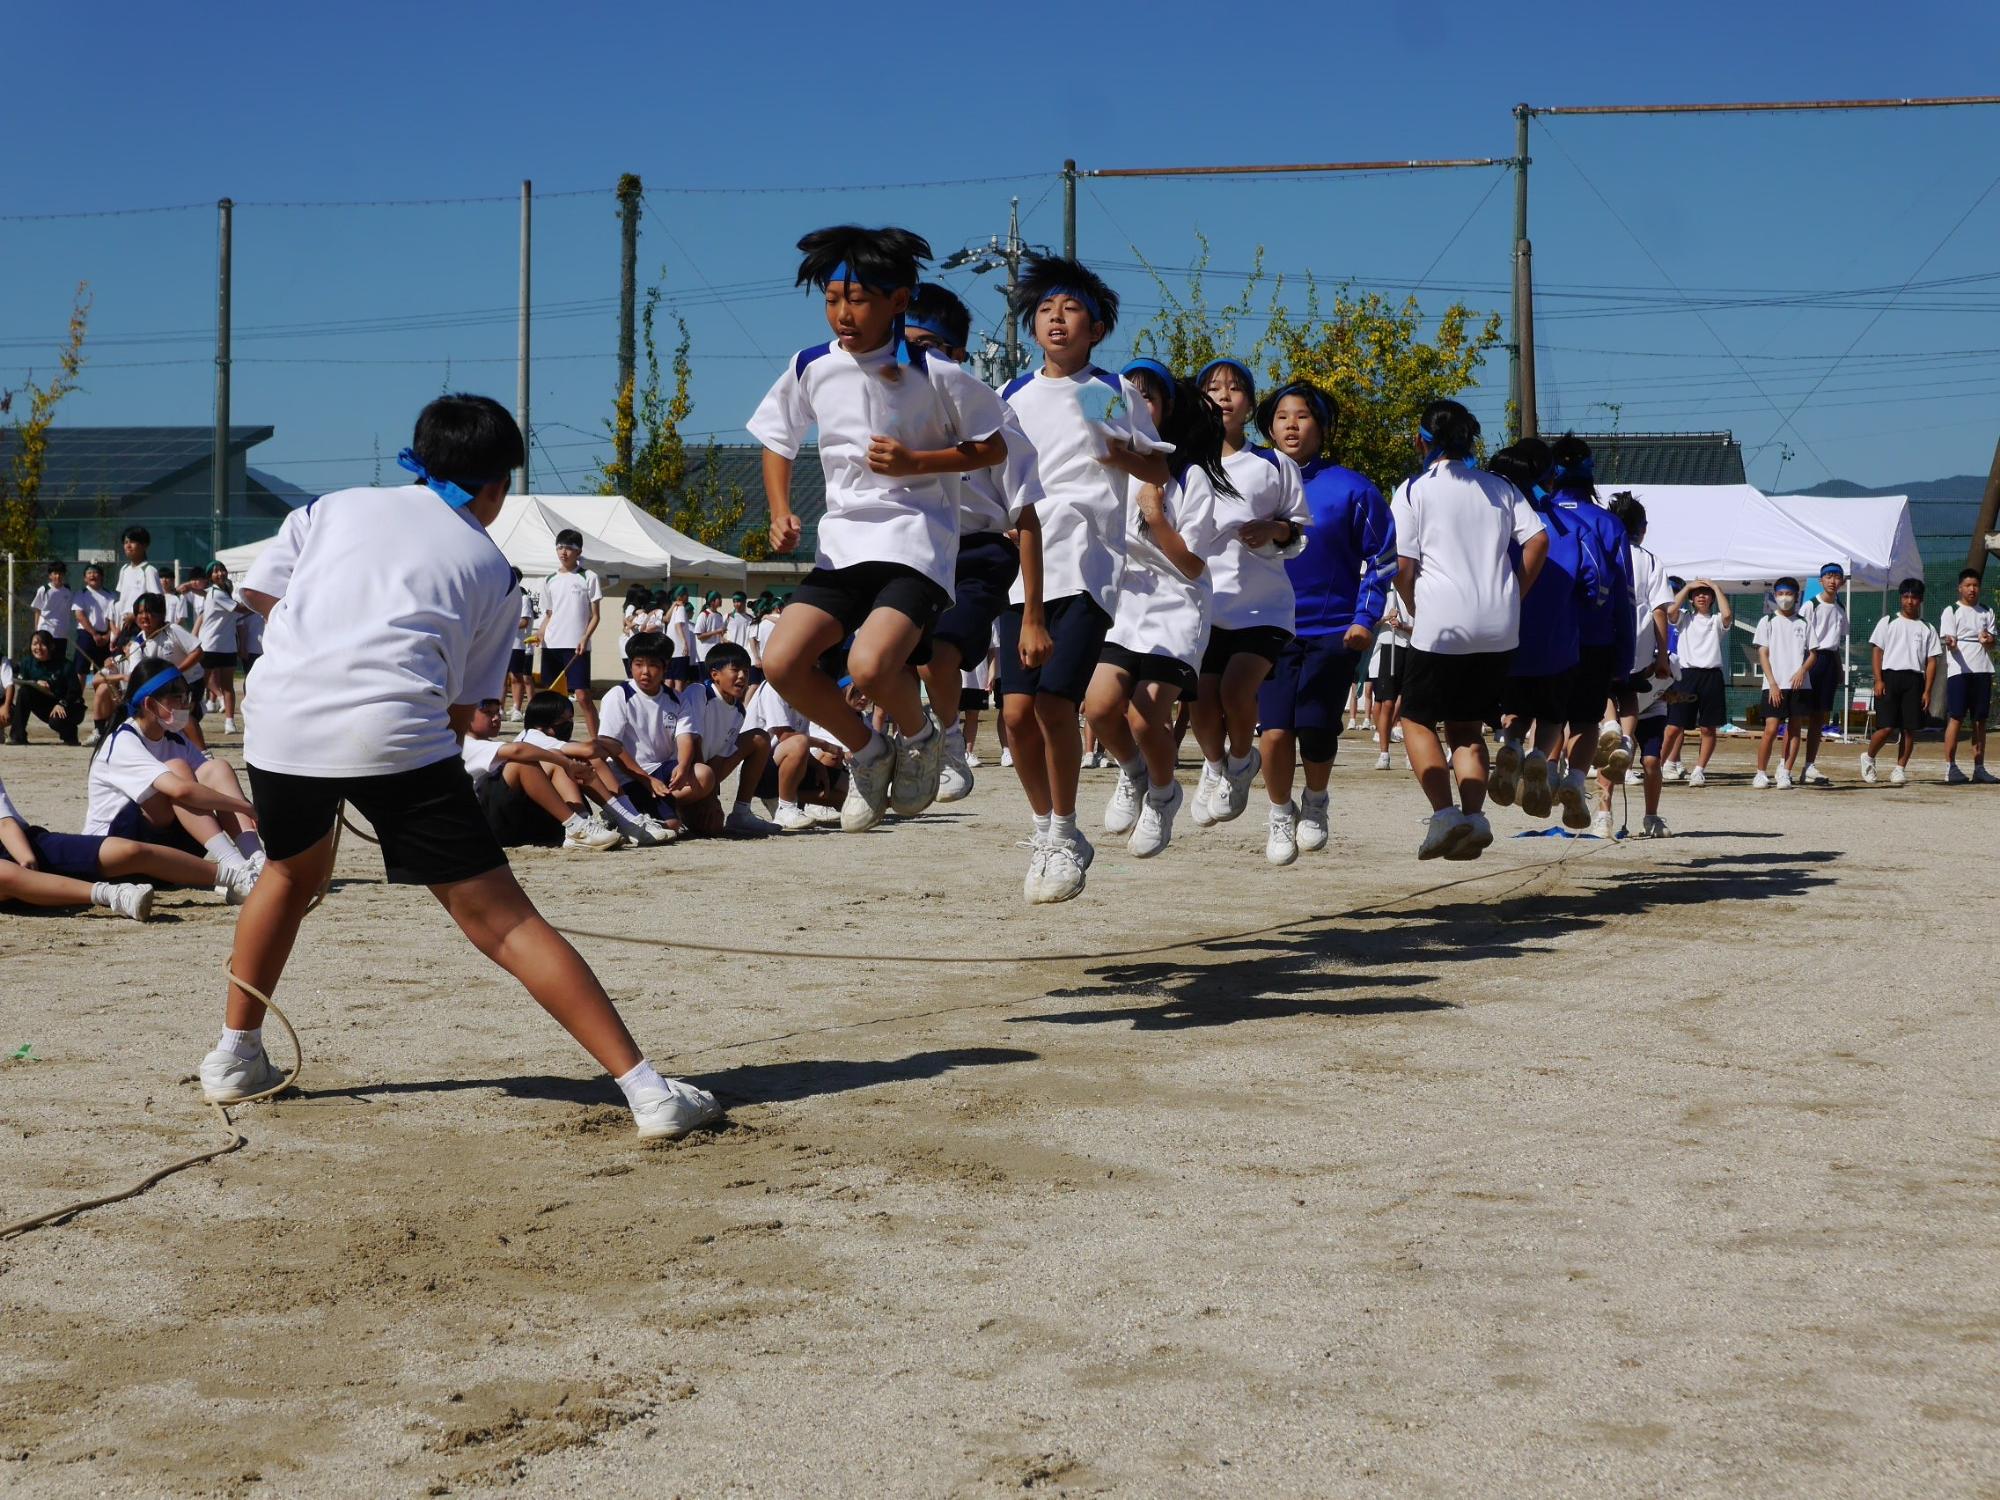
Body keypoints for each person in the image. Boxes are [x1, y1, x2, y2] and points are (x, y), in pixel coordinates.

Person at [212, 394, 719, 1142]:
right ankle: (648, 1092)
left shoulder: (330, 508)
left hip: (281, 722)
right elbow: (463, 715)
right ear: (496, 486)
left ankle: (233, 1056)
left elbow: (258, 594)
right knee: (504, 921)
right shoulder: (491, 565)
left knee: (288, 874)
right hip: (393, 731)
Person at [749, 225, 1011, 834]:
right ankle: (868, 751)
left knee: (869, 666)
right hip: (842, 543)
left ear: (898, 301)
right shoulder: (811, 365)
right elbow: (776, 436)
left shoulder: (937, 374)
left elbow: (992, 445)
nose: (843, 313)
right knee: (782, 662)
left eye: (859, 298)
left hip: (915, 543)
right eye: (833, 298)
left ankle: (923, 738)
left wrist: (919, 463)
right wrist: (779, 510)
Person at [997, 254, 1171, 901]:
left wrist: (1123, 453)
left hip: (1089, 570)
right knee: (1014, 717)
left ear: (1097, 328)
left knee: (1051, 704)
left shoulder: (1106, 391)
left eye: (1071, 310)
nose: (1057, 319)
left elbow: (1155, 472)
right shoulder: (1011, 395)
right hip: (1021, 575)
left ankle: (1064, 830)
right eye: (1045, 310)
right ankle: (1047, 828)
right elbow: (997, 484)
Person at [901, 282, 1041, 803]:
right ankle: (908, 741)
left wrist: (1029, 611)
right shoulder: (888, 409)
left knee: (939, 652)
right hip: (914, 548)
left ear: (958, 356)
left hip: (979, 552)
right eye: (902, 345)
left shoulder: (995, 415)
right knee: (878, 657)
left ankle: (952, 744)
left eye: (926, 348)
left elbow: (1025, 512)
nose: (913, 360)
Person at [1085, 363, 1230, 860]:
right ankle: (1134, 774)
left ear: (1166, 409)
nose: (1137, 403)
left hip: (1176, 607)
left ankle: (1164, 795)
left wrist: (1153, 515)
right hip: (1124, 603)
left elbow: (1192, 564)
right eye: (1128, 395)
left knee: (1147, 714)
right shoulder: (1107, 469)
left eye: (1149, 396)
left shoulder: (1191, 479)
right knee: (1100, 706)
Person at [1392, 400, 1547, 859]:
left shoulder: (1413, 490)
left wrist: (1414, 602)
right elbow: (1538, 539)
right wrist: (1516, 590)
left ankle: (1444, 815)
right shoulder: (1499, 487)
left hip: (1442, 619)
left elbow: (1403, 563)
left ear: (1422, 440)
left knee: (1416, 719)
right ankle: (1475, 816)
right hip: (1499, 624)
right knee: (1466, 727)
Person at [1252, 378, 1394, 864]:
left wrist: (1366, 618)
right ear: (1267, 425)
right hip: (1265, 628)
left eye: (1303, 416)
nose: (1291, 426)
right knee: (1273, 730)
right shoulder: (1251, 481)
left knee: (1315, 728)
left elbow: (1382, 558)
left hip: (1333, 629)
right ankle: (1277, 811)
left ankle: (1314, 802)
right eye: (1282, 416)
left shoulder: (1353, 488)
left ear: (1323, 426)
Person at [1185, 358, 1310, 836]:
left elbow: (1299, 533)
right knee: (1199, 701)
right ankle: (1215, 765)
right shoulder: (1185, 464)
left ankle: (1241, 760)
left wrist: (1273, 527)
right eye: (1213, 387)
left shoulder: (1273, 463)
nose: (1223, 395)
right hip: (1201, 603)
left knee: (1237, 690)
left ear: (1250, 404)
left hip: (1263, 605)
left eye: (1235, 388)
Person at [1481, 441, 1602, 826]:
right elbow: (1594, 585)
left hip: (1507, 638)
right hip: (1558, 641)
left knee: (1515, 710)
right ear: (1550, 479)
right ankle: (1538, 757)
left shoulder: (1494, 519)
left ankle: (1513, 744)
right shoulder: (1574, 528)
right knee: (1553, 716)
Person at [83, 657, 262, 901]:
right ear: (149, 703)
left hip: (167, 846)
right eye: (175, 697)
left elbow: (211, 782)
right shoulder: (124, 740)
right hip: (119, 848)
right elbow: (182, 791)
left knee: (217, 768)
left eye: (185, 696)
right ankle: (235, 868)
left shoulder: (174, 738)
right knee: (178, 772)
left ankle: (256, 862)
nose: (184, 704)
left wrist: (238, 805)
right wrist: (247, 807)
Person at [0, 770, 243, 920]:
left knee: (131, 851)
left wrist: (25, 857)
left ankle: (235, 878)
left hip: (26, 844)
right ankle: (114, 895)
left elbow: (5, 823)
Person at [1545, 435, 1637, 784]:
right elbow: (1624, 597)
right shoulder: (1609, 524)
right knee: (1585, 718)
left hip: (1547, 635)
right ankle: (1575, 781)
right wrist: (1624, 657)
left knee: (1547, 713)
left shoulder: (1538, 517)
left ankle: (1547, 767)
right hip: (1595, 637)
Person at [1599, 493, 1674, 833]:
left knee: (1603, 694)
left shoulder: (1603, 551)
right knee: (1628, 690)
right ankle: (1625, 739)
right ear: (1642, 529)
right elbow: (1661, 609)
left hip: (1601, 640)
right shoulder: (1649, 560)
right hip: (1637, 649)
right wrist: (1661, 654)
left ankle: (1605, 812)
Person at [460, 696, 624, 851]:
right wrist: (566, 762)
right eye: (488, 713)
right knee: (523, 763)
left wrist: (562, 761)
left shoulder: (487, 744)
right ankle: (577, 826)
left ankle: (583, 821)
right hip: (485, 826)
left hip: (511, 818)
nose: (496, 718)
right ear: (466, 715)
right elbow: (518, 750)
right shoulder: (466, 744)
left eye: (497, 712)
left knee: (555, 759)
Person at [668, 641, 774, 836]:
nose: (742, 676)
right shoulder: (699, 692)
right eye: (735, 670)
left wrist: (712, 796)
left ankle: (741, 812)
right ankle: (664, 808)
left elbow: (720, 756)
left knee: (759, 738)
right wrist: (706, 795)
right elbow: (692, 742)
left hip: (706, 772)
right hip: (681, 771)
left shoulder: (739, 710)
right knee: (694, 821)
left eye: (745, 671)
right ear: (715, 675)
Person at [588, 632, 684, 846]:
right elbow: (610, 745)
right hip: (628, 776)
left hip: (660, 773)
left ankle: (669, 813)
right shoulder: (619, 694)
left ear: (665, 666)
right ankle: (620, 813)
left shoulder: (675, 699)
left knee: (698, 779)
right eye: (638, 664)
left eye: (652, 665)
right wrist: (645, 779)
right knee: (670, 826)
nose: (645, 672)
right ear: (630, 665)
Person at [93, 590, 209, 750]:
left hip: (190, 683)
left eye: (149, 612)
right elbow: (137, 673)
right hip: (163, 689)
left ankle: (204, 755)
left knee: (181, 715)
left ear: (160, 614)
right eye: (139, 613)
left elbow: (198, 652)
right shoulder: (137, 643)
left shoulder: (172, 630)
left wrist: (174, 673)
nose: (144, 616)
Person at [1861, 578, 1941, 786]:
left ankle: (1899, 769)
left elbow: (1932, 661)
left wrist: (1927, 690)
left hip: (1915, 679)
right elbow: (1877, 651)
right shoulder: (1887, 622)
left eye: (1914, 597)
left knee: (1909, 728)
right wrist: (1878, 679)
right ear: (1901, 598)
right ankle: (1868, 757)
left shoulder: (1927, 628)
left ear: (1921, 600)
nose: (1910, 601)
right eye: (1906, 597)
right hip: (1889, 677)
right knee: (1886, 727)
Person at [1664, 578, 1731, 787]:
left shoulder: (1716, 621)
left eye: (1706, 593)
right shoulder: (1684, 618)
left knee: (1708, 729)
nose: (1702, 596)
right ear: (1691, 599)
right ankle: (1657, 764)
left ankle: (1699, 770)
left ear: (1712, 598)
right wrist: (1687, 587)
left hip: (1712, 676)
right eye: (1697, 594)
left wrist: (1717, 588)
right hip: (1687, 676)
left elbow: (1728, 615)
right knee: (1674, 726)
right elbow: (1671, 611)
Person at [538, 528, 602, 738]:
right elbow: (549, 614)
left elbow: (595, 616)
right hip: (551, 644)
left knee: (583, 696)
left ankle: (598, 741)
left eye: (568, 548)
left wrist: (585, 637)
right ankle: (551, 739)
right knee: (552, 698)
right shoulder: (549, 580)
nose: (563, 552)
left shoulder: (588, 576)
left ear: (578, 551)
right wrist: (540, 632)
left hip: (576, 646)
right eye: (560, 547)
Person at [1938, 567, 1997, 784]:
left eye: (1976, 585)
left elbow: (1993, 642)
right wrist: (1951, 643)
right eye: (1968, 585)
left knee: (1980, 720)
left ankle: (1979, 768)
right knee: (1956, 717)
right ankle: (1950, 766)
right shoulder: (1951, 610)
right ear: (1960, 588)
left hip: (1982, 670)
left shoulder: (1987, 611)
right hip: (1959, 672)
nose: (1972, 589)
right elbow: (1948, 640)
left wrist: (1988, 640)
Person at [1751, 577, 1812, 788]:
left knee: (1794, 729)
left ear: (1797, 596)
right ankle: (1760, 773)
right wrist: (1773, 683)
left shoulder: (1804, 623)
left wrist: (1802, 671)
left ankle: (1785, 771)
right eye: (1780, 594)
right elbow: (1763, 653)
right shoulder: (1766, 621)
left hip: (1798, 685)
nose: (1784, 598)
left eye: (1789, 594)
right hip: (1774, 684)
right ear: (1774, 596)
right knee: (1771, 728)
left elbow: (1814, 653)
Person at [1794, 563, 1848, 784]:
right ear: (1821, 580)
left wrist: (1839, 668)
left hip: (1829, 662)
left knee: (1819, 716)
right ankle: (1785, 765)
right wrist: (1799, 667)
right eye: (1829, 577)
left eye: (1837, 577)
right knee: (1797, 714)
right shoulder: (1810, 606)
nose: (1833, 581)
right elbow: (1799, 639)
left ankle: (1809, 766)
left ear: (1842, 582)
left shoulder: (1840, 608)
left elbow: (1836, 643)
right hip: (1809, 660)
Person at [192, 562, 246, 734]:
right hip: (210, 645)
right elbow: (240, 609)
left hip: (227, 645)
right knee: (201, 684)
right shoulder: (215, 593)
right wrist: (260, 607)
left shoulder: (222, 593)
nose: (220, 573)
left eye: (222, 570)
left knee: (227, 685)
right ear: (210, 577)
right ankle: (192, 718)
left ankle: (229, 722)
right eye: (215, 572)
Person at [7, 630, 85, 745]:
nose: (38, 648)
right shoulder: (27, 662)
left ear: (52, 646)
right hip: (46, 703)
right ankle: (18, 736)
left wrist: (62, 703)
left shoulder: (65, 665)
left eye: (43, 644)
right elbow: (19, 679)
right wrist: (35, 683)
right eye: (34, 644)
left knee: (56, 721)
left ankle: (70, 734)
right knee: (24, 691)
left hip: (69, 706)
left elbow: (75, 691)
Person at [1371, 590, 1411, 769]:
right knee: (1387, 701)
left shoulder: (1417, 593)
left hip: (1412, 646)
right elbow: (1371, 621)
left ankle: (1411, 754)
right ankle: (1384, 754)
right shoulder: (1387, 593)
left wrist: (1403, 626)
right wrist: (1388, 616)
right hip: (1390, 645)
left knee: (1408, 702)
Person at [113, 525, 163, 632]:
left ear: (144, 545)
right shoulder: (124, 570)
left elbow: (156, 599)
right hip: (124, 625)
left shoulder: (149, 570)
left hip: (140, 625)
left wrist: (135, 614)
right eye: (126, 542)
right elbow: (121, 600)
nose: (128, 546)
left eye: (132, 542)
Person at [71, 562, 118, 672]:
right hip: (86, 634)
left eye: (95, 573)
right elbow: (79, 615)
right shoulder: (80, 594)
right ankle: (78, 690)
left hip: (105, 637)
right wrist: (94, 634)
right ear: (85, 578)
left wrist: (107, 636)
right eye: (89, 573)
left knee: (104, 670)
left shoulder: (111, 595)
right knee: (80, 669)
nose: (92, 575)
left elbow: (114, 618)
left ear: (101, 577)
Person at [30, 560, 76, 666]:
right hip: (45, 631)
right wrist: (37, 630)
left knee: (59, 661)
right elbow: (37, 610)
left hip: (61, 632)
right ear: (50, 575)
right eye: (55, 573)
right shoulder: (43, 590)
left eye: (60, 573)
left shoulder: (68, 591)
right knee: (44, 660)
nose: (58, 576)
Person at [506, 567, 537, 720]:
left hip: (519, 644)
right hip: (504, 642)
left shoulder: (523, 598)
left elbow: (524, 621)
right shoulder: (504, 596)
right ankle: (499, 707)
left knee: (519, 676)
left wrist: (505, 624)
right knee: (501, 677)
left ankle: (518, 708)